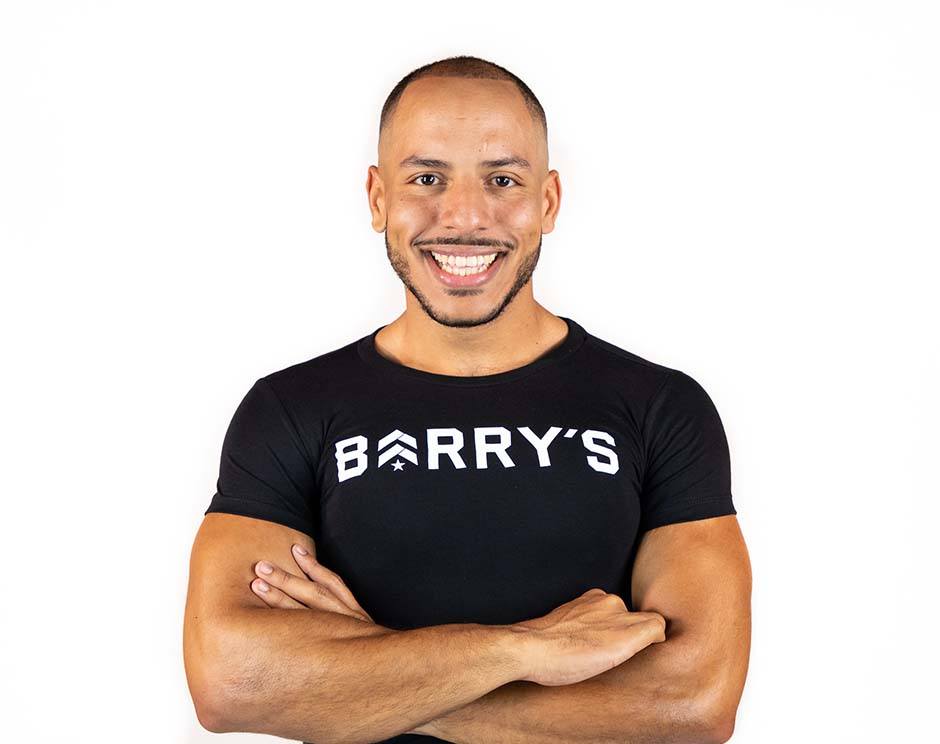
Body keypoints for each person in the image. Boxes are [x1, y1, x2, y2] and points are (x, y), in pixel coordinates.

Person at [183, 55, 751, 744]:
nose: (464, 217)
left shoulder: (661, 407)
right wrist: (526, 649)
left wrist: (375, 675)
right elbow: (230, 685)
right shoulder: (290, 410)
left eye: (503, 180)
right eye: (426, 178)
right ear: (376, 199)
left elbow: (693, 703)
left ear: (547, 202)